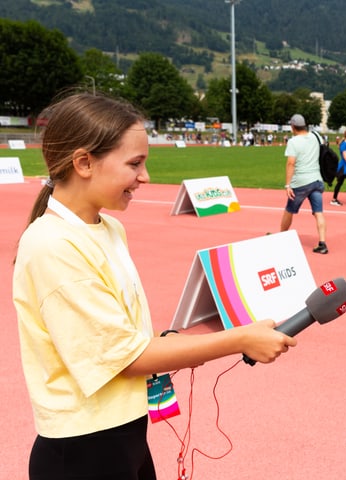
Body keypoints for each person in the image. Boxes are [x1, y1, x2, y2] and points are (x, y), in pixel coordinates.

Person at [12, 93, 296, 480]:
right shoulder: (52, 246)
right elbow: (126, 358)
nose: (145, 176)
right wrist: (239, 339)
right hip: (83, 446)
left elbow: (129, 338)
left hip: (125, 431)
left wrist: (179, 345)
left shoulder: (109, 228)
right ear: (83, 162)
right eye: (135, 164)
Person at [280, 113, 328, 254]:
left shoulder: (293, 142)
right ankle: (322, 243)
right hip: (317, 180)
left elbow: (291, 163)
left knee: (289, 210)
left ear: (293, 126)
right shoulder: (315, 136)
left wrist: (288, 185)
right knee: (318, 212)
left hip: (301, 182)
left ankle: (281, 236)